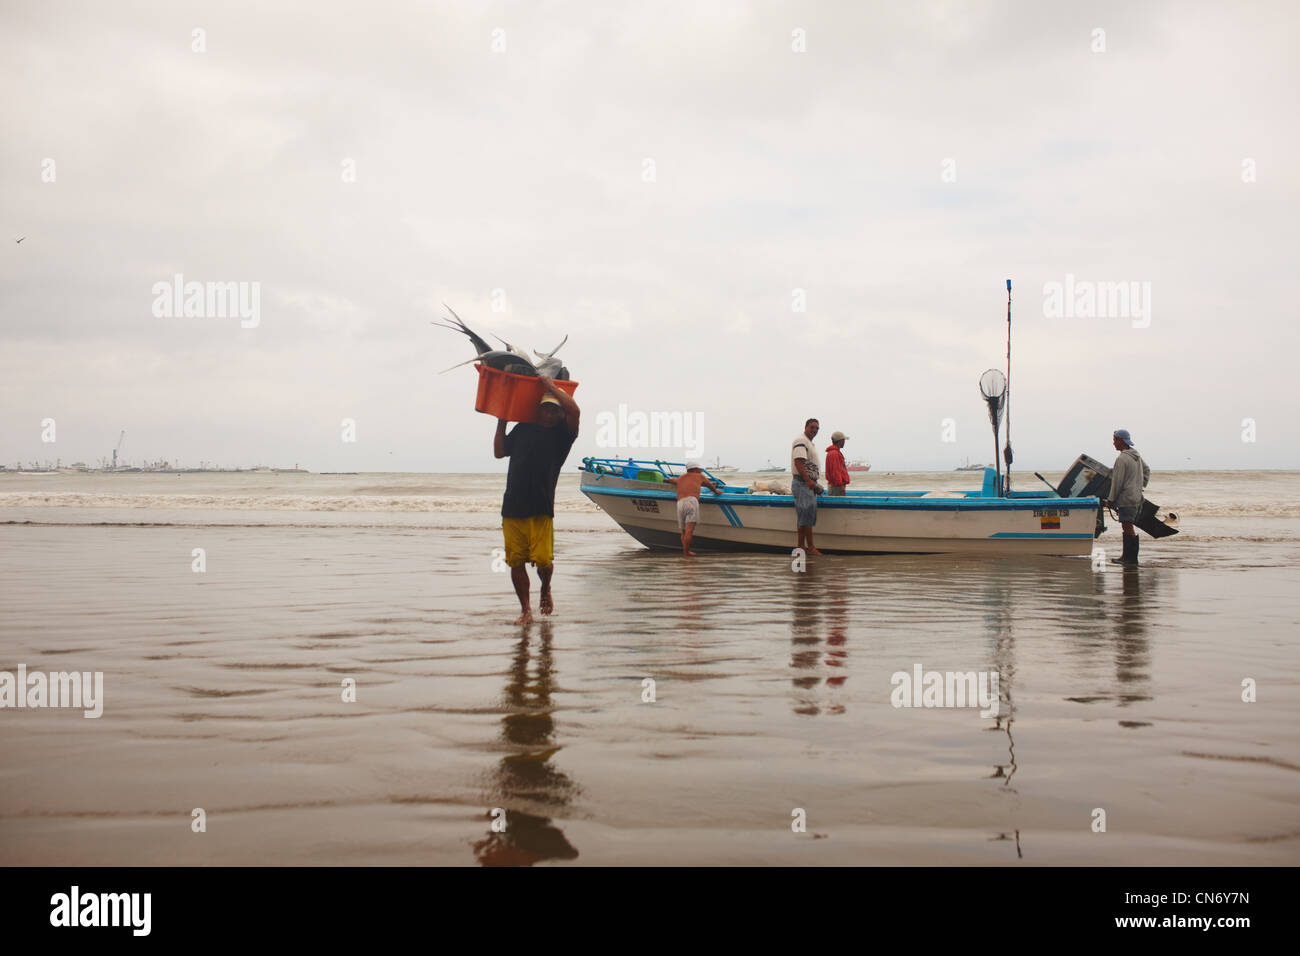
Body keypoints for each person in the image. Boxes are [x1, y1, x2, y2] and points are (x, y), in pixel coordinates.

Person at [493, 375, 580, 623]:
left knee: (543, 560)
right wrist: (502, 420)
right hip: (512, 506)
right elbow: (499, 452)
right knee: (515, 561)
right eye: (546, 409)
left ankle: (545, 588)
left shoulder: (563, 437)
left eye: (555, 410)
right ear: (539, 410)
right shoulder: (522, 429)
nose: (550, 414)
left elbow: (575, 410)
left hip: (541, 507)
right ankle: (525, 610)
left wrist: (551, 387)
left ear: (560, 414)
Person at [1107, 428, 1150, 566]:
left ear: (1121, 441)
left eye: (1114, 440)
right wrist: (1140, 486)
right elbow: (1147, 470)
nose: (1113, 443)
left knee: (1127, 526)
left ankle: (1129, 558)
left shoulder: (1122, 459)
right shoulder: (1136, 456)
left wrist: (1111, 499)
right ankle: (1128, 557)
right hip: (1136, 497)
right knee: (1128, 525)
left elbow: (1117, 482)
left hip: (1126, 498)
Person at [662, 459, 722, 555]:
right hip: (691, 501)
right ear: (695, 469)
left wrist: (667, 479)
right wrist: (716, 491)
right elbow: (709, 485)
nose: (701, 471)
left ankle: (685, 551)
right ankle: (687, 552)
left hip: (680, 503)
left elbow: (673, 480)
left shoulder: (681, 478)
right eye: (700, 469)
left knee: (683, 531)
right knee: (690, 529)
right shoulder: (699, 476)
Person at [791, 418, 824, 555]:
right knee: (805, 517)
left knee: (806, 516)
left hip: (808, 484)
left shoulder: (809, 443)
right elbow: (798, 462)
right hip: (803, 483)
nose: (815, 430)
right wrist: (808, 481)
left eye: (817, 428)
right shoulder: (801, 441)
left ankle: (803, 547)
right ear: (805, 427)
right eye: (812, 427)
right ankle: (807, 547)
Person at [825, 431, 850, 496]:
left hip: (836, 486)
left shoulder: (834, 452)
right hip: (836, 487)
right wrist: (841, 486)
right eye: (844, 440)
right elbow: (835, 471)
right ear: (840, 441)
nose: (844, 442)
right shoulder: (834, 453)